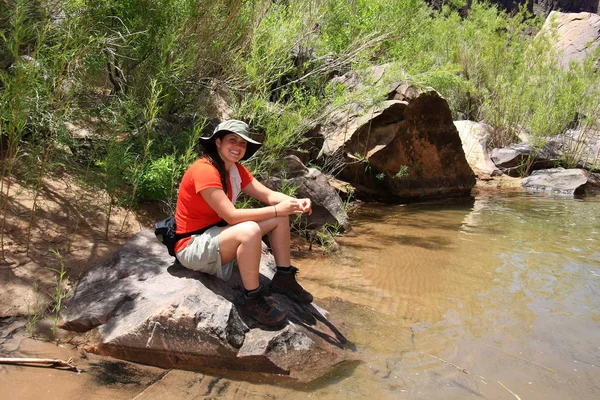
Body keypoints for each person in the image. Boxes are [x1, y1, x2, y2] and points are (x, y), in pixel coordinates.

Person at [174, 119, 313, 327]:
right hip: (192, 245)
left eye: (243, 143)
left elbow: (267, 194)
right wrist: (277, 208)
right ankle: (252, 299)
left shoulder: (236, 170)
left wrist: (294, 202)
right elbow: (231, 216)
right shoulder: (204, 170)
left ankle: (284, 278)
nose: (237, 147)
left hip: (217, 234)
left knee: (279, 218)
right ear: (218, 142)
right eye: (232, 140)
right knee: (250, 230)